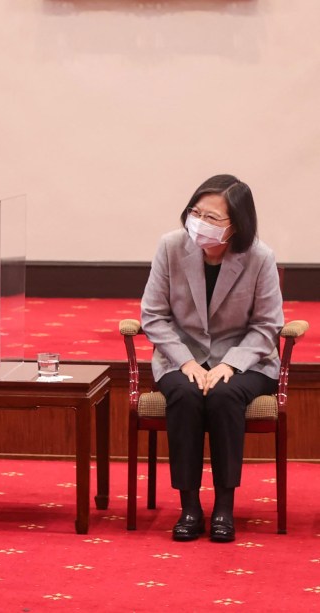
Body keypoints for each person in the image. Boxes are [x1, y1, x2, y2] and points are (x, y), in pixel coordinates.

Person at [140, 174, 283, 543]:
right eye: (195, 212)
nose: (199, 223)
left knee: (223, 395)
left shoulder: (259, 257)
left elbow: (267, 325)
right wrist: (185, 361)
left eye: (213, 218)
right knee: (185, 394)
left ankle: (224, 507)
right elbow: (153, 315)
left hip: (246, 359)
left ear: (237, 225)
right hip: (180, 354)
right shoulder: (171, 246)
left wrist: (229, 364)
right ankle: (189, 507)